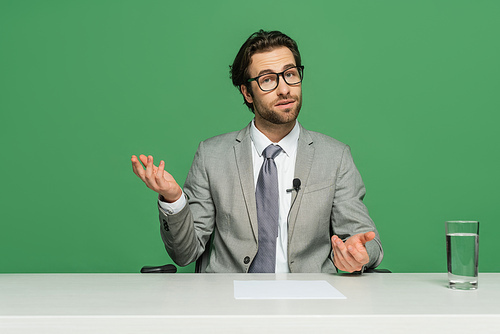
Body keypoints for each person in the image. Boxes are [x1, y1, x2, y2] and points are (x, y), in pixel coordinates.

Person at [131, 30, 383, 273]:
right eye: (267, 79)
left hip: (308, 304)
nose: (284, 89)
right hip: (229, 304)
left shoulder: (335, 157)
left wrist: (358, 254)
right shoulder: (211, 156)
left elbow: (367, 241)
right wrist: (174, 200)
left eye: (290, 74)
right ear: (246, 92)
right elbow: (185, 253)